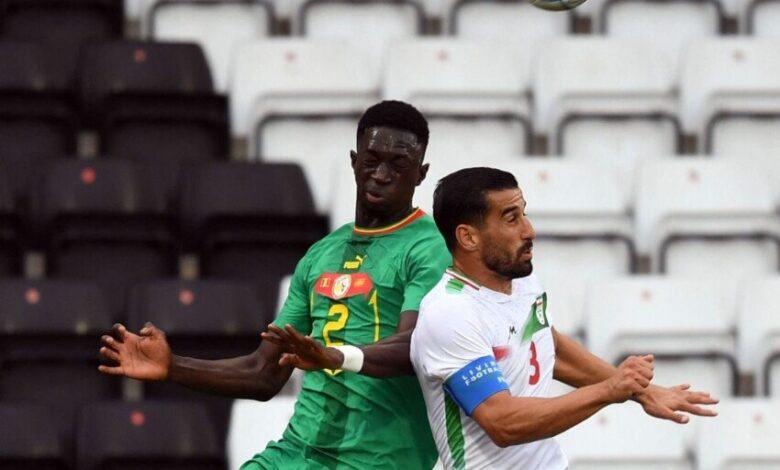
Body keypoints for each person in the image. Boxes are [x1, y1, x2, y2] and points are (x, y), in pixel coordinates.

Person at [97, 100, 451, 469]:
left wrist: (335, 356)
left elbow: (416, 344)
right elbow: (264, 374)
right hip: (299, 452)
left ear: (421, 174)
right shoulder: (321, 254)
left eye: (399, 165)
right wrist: (173, 367)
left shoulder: (429, 248)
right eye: (372, 159)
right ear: (353, 160)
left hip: (378, 460)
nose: (381, 174)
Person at [407, 167, 719, 469]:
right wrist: (610, 389)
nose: (529, 230)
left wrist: (644, 392)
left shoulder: (522, 280)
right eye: (511, 218)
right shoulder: (449, 313)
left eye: (524, 213)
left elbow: (547, 345)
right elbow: (503, 422)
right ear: (468, 237)